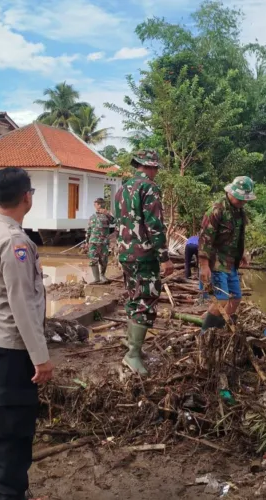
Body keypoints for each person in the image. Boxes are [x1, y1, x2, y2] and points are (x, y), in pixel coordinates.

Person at [0, 167, 53, 500]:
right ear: (27, 197)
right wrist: (42, 358)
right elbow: (21, 304)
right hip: (11, 348)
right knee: (14, 430)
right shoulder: (15, 241)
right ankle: (10, 495)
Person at [114, 149, 174, 375]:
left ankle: (134, 349)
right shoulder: (149, 187)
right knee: (145, 300)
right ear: (150, 167)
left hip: (126, 254)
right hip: (144, 256)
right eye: (156, 167)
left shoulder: (122, 189)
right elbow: (154, 225)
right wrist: (165, 257)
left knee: (134, 298)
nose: (156, 172)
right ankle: (131, 354)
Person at [198, 176, 256, 331]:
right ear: (231, 193)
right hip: (216, 262)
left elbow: (237, 236)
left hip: (231, 263)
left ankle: (219, 329)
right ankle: (205, 334)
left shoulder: (239, 212)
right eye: (240, 198)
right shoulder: (217, 210)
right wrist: (204, 267)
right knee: (221, 301)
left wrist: (242, 252)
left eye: (245, 199)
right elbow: (204, 240)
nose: (243, 202)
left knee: (236, 299)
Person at [85, 197, 115, 284]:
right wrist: (86, 242)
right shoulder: (92, 217)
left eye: (96, 204)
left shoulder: (107, 216)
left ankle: (103, 276)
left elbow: (115, 221)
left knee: (104, 260)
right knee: (93, 260)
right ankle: (96, 279)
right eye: (95, 204)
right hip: (93, 242)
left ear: (100, 204)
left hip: (103, 243)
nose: (95, 206)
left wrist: (108, 213)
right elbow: (89, 230)